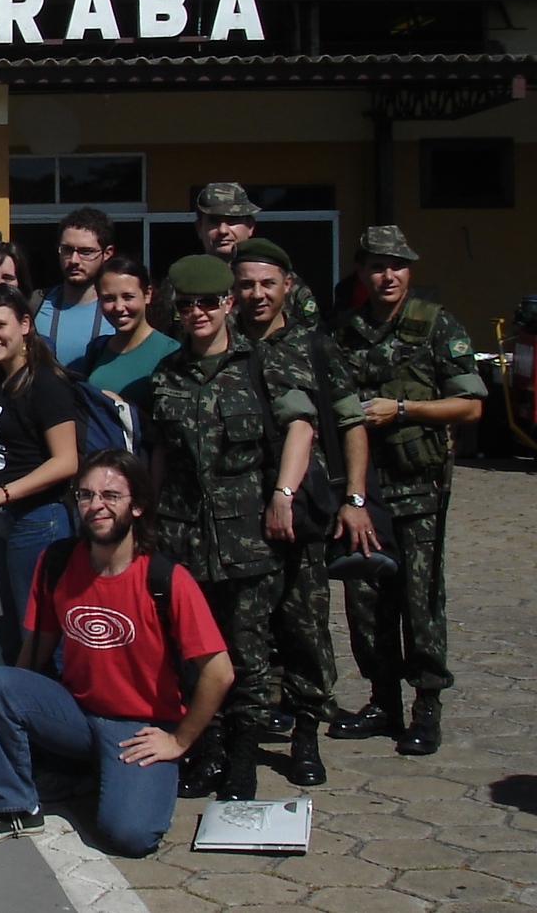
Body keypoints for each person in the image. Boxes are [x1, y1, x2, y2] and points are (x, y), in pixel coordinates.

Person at [0, 450, 233, 855]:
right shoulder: (57, 563)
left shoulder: (166, 578)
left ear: (137, 506)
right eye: (86, 495)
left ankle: (98, 774)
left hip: (138, 729)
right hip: (77, 714)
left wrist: (179, 740)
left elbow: (220, 673)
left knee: (130, 837)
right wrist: (1, 705)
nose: (96, 506)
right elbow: (36, 654)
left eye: (111, 495)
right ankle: (15, 808)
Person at [146, 255, 318, 801]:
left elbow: (301, 427)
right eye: (187, 304)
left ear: (227, 304)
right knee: (194, 654)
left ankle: (243, 760)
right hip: (182, 538)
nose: (197, 313)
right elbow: (159, 457)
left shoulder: (263, 364)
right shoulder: (167, 374)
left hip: (246, 538)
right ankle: (209, 751)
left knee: (248, 654)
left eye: (207, 303)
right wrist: (147, 518)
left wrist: (283, 496)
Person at [327, 226, 486, 755]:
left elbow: (470, 404)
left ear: (408, 272)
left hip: (419, 488)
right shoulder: (343, 332)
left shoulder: (435, 326)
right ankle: (382, 701)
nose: (387, 275)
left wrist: (403, 410)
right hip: (364, 491)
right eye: (376, 266)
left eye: (396, 266)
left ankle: (426, 706)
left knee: (420, 602)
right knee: (365, 601)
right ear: (362, 272)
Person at [232, 237, 377, 786]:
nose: (256, 294)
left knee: (305, 625)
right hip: (239, 512)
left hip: (304, 511)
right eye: (246, 284)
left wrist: (355, 499)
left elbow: (350, 423)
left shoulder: (314, 347)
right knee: (246, 629)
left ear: (287, 286)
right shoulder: (223, 345)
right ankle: (249, 727)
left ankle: (307, 732)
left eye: (267, 283)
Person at [0, 285, 80, 659]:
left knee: (40, 632)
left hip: (38, 522)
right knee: (14, 633)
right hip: (0, 522)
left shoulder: (46, 383)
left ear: (25, 324)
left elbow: (65, 460)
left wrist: (2, 493)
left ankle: (52, 711)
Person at [154, 183, 320, 335]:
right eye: (214, 221)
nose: (223, 230)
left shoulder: (283, 284)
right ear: (199, 227)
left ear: (250, 226)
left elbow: (313, 341)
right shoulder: (179, 283)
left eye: (232, 220)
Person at [71, 257, 179, 414]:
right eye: (109, 299)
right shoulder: (97, 348)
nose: (119, 307)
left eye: (128, 297)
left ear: (147, 294)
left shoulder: (171, 352)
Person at [34, 207, 116, 366]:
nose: (74, 260)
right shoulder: (36, 304)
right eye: (67, 249)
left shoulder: (119, 311)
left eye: (86, 251)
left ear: (107, 253)